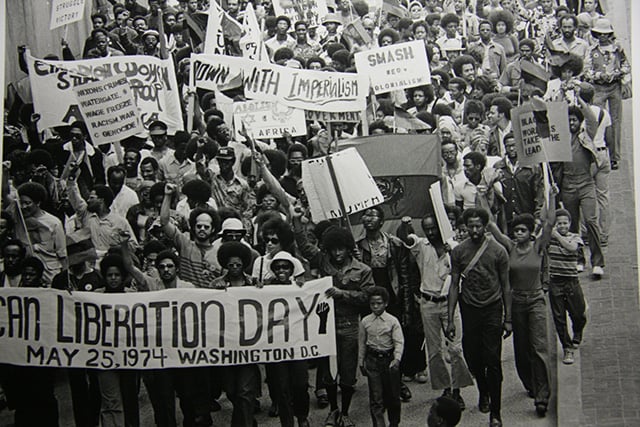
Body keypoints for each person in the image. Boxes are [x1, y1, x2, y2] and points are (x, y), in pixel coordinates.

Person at [293, 212, 374, 427]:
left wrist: (343, 294)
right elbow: (303, 245)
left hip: (349, 326)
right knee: (328, 372)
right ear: (327, 248)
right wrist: (295, 220)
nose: (338, 253)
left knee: (348, 373)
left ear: (349, 248)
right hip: (325, 324)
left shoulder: (363, 270)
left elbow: (367, 297)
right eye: (333, 249)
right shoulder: (322, 260)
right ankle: (333, 410)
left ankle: (345, 412)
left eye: (342, 248)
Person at [486, 197, 556, 416]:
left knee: (539, 347)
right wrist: (481, 196)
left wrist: (552, 197)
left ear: (529, 232)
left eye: (523, 230)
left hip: (535, 300)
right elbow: (490, 224)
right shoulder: (510, 247)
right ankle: (530, 384)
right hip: (516, 302)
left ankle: (542, 396)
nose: (518, 234)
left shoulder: (538, 247)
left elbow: (550, 222)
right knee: (522, 349)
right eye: (516, 230)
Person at [396, 214, 474, 410]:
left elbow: (464, 270)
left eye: (433, 228)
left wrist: (452, 255)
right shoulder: (421, 245)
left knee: (455, 348)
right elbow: (407, 239)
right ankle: (445, 389)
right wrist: (406, 224)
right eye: (427, 229)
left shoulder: (453, 247)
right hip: (428, 303)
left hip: (450, 302)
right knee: (434, 351)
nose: (430, 233)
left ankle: (457, 391)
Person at [447, 208, 511, 427]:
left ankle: (496, 412)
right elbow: (454, 285)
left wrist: (508, 317)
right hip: (469, 308)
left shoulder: (499, 251)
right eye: (470, 226)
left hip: (492, 308)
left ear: (485, 226)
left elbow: (506, 285)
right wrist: (449, 319)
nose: (474, 231)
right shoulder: (459, 252)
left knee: (493, 361)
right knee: (473, 358)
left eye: (478, 226)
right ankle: (483, 391)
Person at [213, 241, 262, 427]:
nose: (234, 268)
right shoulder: (216, 284)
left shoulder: (253, 283)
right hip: (226, 345)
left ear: (244, 264)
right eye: (230, 265)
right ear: (225, 264)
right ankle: (246, 418)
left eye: (238, 265)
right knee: (232, 391)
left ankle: (246, 422)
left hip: (248, 344)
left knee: (244, 391)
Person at [263, 251, 310, 427]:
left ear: (291, 269)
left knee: (300, 384)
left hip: (297, 345)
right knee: (281, 388)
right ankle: (287, 423)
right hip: (276, 347)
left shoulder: (300, 287)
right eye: (277, 267)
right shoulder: (266, 289)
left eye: (285, 267)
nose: (281, 270)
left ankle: (302, 416)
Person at [583, 18, 631, 170]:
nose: (603, 36)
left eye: (606, 34)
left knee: (616, 121)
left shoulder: (617, 48)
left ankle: (614, 156)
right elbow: (587, 71)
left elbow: (626, 65)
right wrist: (598, 76)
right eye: (599, 33)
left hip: (614, 87)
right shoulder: (591, 50)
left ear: (610, 34)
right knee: (598, 119)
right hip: (599, 88)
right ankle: (598, 151)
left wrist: (617, 74)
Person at [546, 208, 588, 366]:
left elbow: (571, 249)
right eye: (559, 223)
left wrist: (556, 235)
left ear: (570, 224)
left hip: (571, 281)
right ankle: (567, 347)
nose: (562, 226)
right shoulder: (550, 239)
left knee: (579, 313)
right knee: (559, 317)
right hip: (555, 281)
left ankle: (577, 332)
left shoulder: (575, 238)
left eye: (565, 223)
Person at [358, 286, 404, 427]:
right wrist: (361, 361)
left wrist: (396, 359)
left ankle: (394, 423)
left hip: (389, 360)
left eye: (379, 303)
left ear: (386, 304)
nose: (376, 306)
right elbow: (362, 343)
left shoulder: (392, 321)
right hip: (372, 361)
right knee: (376, 398)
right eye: (373, 304)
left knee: (393, 397)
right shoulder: (365, 321)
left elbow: (399, 342)